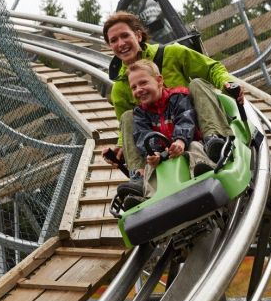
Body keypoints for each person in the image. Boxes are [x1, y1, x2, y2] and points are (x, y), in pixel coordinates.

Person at [101, 10, 245, 192]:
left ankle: (214, 141)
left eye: (125, 36)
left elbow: (211, 68)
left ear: (138, 35)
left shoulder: (172, 53)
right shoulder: (120, 88)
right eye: (114, 40)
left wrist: (228, 84)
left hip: (193, 127)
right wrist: (120, 147)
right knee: (129, 116)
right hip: (158, 141)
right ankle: (139, 176)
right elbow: (126, 123)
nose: (121, 43)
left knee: (198, 84)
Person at [118, 59, 219, 210]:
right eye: (134, 87)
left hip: (185, 144)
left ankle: (203, 170)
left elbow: (185, 118)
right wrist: (153, 153)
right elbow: (142, 135)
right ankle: (147, 198)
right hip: (163, 157)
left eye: (143, 83)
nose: (139, 89)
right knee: (151, 167)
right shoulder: (139, 113)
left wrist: (180, 140)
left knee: (194, 146)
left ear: (159, 81)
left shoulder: (177, 97)